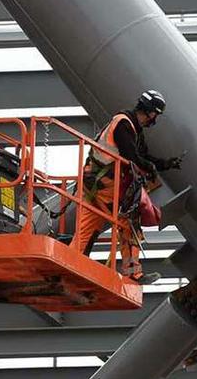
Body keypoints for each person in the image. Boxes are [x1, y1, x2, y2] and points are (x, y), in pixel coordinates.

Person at [72, 90, 183, 284]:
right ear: (150, 111)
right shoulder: (123, 124)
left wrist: (166, 164)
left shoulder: (133, 129)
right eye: (155, 114)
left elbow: (143, 156)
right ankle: (133, 273)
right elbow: (132, 156)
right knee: (128, 222)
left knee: (88, 227)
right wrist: (148, 169)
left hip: (95, 184)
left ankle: (72, 264)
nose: (155, 119)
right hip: (105, 184)